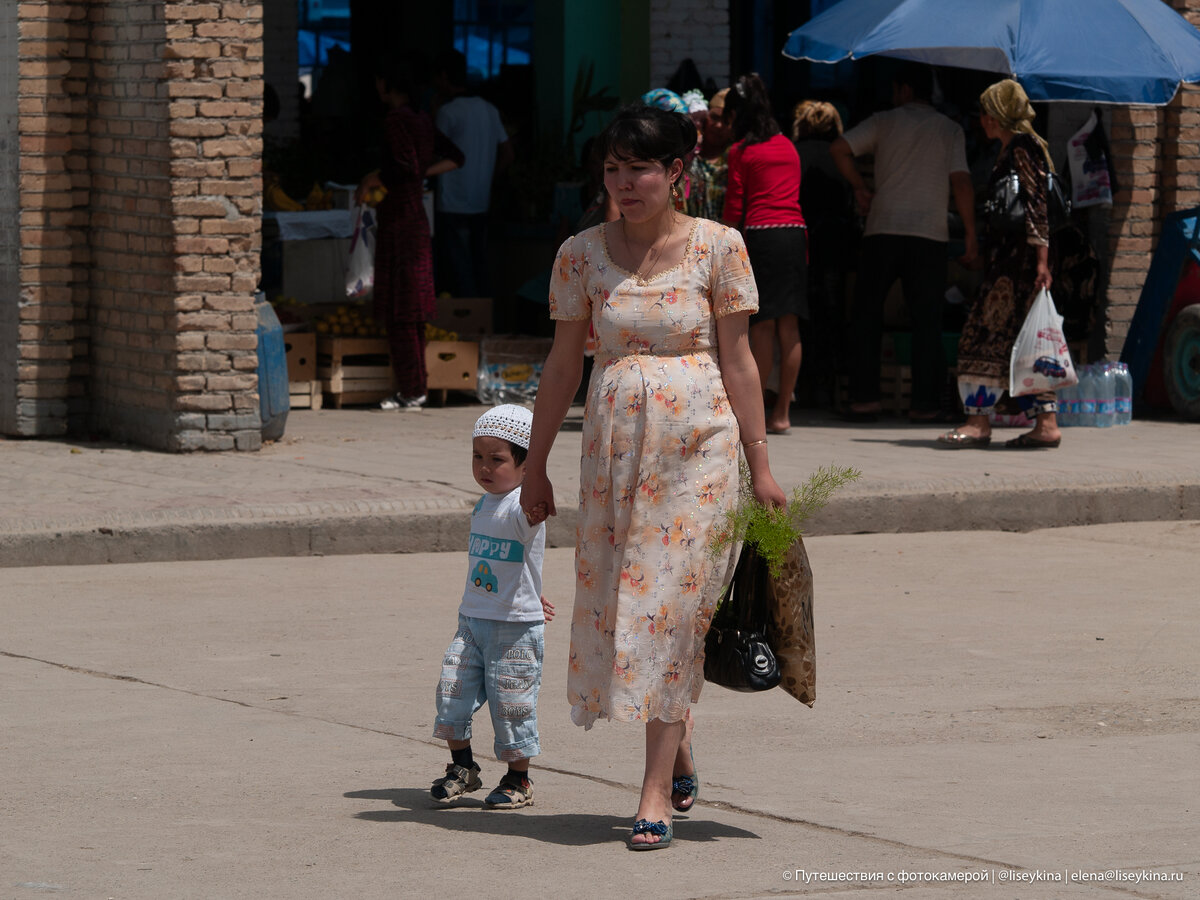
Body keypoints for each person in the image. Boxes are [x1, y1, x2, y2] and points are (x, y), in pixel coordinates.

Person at [519, 105, 787, 850]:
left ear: (677, 172)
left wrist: (762, 466)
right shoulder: (580, 254)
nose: (624, 183)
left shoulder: (719, 247)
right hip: (613, 458)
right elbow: (564, 365)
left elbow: (739, 360)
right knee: (625, 607)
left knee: (671, 611)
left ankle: (651, 792)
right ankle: (678, 740)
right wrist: (534, 465)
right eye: (612, 169)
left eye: (639, 169)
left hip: (700, 450)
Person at [831, 63, 978, 422]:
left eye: (896, 89)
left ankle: (865, 400)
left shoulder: (884, 121)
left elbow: (839, 148)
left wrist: (860, 188)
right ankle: (924, 405)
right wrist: (972, 233)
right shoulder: (950, 129)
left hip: (883, 229)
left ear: (905, 90)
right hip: (929, 235)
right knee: (926, 321)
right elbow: (961, 182)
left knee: (867, 315)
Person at [431, 404, 555, 809]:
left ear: (525, 466)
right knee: (452, 692)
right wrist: (531, 589)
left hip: (513, 628)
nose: (484, 467)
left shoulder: (525, 506)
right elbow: (515, 564)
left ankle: (519, 780)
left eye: (497, 459)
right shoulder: (483, 504)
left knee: (512, 705)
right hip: (471, 620)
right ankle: (463, 768)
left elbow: (531, 528)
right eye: (477, 457)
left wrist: (539, 472)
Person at [937, 80, 1061, 449]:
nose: (983, 119)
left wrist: (1041, 261)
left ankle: (978, 422)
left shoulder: (1023, 147)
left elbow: (1037, 205)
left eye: (988, 111)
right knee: (1030, 346)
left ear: (1001, 115)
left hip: (1017, 268)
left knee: (981, 335)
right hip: (1010, 264)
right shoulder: (1015, 147)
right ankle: (1046, 422)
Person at [357, 60, 463, 411]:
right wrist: (420, 176)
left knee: (400, 309)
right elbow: (455, 157)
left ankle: (412, 389)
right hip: (415, 214)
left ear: (387, 85)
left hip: (399, 217)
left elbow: (403, 167)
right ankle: (415, 387)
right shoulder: (420, 119)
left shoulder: (397, 120)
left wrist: (375, 178)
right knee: (412, 310)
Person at [723, 73, 808, 435]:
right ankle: (783, 412)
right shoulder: (788, 146)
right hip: (795, 235)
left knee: (761, 325)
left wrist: (722, 239)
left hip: (761, 237)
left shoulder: (741, 152)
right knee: (790, 324)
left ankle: (755, 413)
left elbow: (734, 206)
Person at [432, 48, 513, 298]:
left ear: (444, 77)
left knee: (458, 272)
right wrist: (487, 178)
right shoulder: (488, 109)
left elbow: (434, 153)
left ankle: (468, 326)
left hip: (452, 204)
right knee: (478, 267)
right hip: (480, 202)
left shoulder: (448, 113)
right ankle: (483, 324)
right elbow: (509, 154)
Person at [792, 100, 855, 408]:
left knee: (800, 317)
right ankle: (827, 387)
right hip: (834, 243)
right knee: (831, 314)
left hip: (800, 243)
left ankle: (801, 388)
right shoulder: (841, 156)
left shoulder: (794, 154)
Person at [684, 87, 733, 221]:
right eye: (714, 118)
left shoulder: (734, 159)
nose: (718, 125)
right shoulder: (688, 154)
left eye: (726, 121)